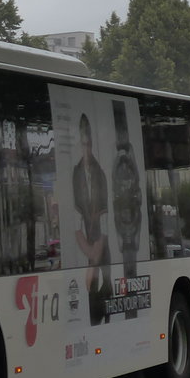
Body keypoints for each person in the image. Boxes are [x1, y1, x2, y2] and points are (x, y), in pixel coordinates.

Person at [73, 113, 111, 324]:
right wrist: (88, 253)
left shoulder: (101, 173)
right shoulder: (75, 173)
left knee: (105, 286)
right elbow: (76, 219)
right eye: (82, 144)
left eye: (88, 144)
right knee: (90, 293)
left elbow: (104, 222)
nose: (85, 149)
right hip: (88, 246)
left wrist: (95, 256)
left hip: (101, 246)